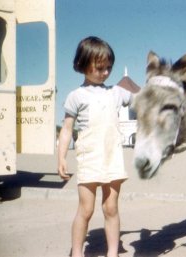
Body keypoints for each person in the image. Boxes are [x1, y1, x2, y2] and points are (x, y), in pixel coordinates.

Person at [57, 36, 133, 257]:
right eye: (100, 67)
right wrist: (61, 157)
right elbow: (67, 129)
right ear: (83, 64)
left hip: (113, 158)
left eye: (109, 67)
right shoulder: (75, 96)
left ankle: (112, 252)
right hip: (89, 158)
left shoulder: (116, 92)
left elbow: (142, 97)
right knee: (86, 210)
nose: (105, 72)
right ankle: (78, 252)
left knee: (111, 208)